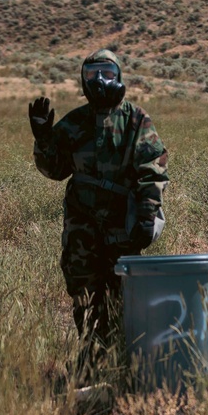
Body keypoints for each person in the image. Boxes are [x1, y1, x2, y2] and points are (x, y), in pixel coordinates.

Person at [29, 49, 168, 378]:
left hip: (123, 227)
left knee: (123, 295)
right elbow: (55, 170)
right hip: (82, 228)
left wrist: (148, 214)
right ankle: (92, 360)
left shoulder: (135, 119)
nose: (101, 80)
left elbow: (153, 170)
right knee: (84, 293)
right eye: (93, 74)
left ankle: (125, 362)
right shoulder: (75, 122)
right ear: (83, 80)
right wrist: (43, 138)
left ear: (119, 76)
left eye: (107, 72)